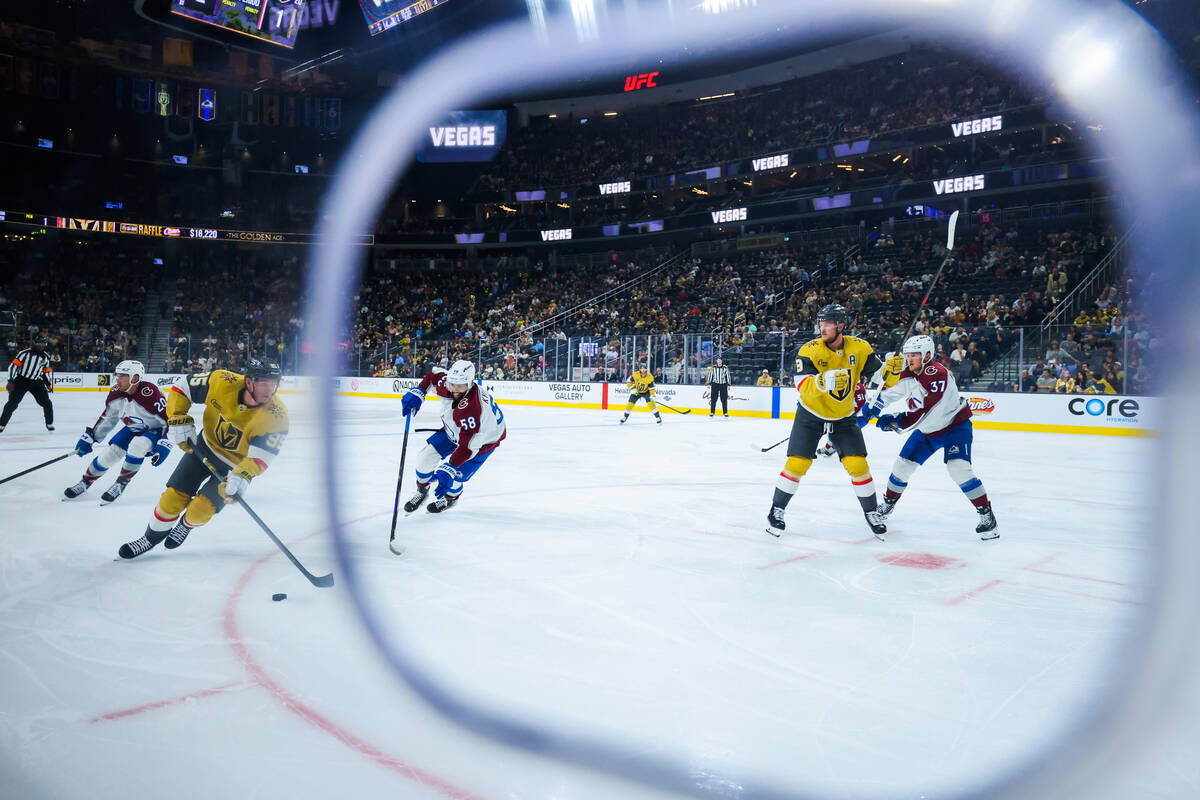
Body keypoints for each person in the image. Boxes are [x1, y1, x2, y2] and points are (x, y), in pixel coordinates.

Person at [117, 358, 289, 559]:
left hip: (233, 466)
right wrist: (178, 418)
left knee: (202, 509)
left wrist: (242, 477)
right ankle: (149, 539)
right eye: (263, 383)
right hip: (204, 448)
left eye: (273, 383)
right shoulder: (223, 381)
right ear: (249, 382)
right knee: (172, 498)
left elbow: (262, 457)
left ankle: (185, 525)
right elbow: (182, 388)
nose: (269, 389)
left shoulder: (277, 416)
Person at [767, 304, 890, 539]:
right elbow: (802, 386)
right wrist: (822, 382)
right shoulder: (809, 349)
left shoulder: (860, 347)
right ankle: (777, 509)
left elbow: (881, 378)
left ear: (840, 326)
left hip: (844, 417)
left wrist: (892, 371)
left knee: (858, 466)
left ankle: (872, 512)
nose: (821, 328)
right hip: (810, 414)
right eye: (820, 324)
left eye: (827, 324)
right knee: (797, 464)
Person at [863, 334, 998, 539]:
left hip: (955, 427)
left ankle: (987, 515)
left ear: (927, 355)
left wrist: (896, 421)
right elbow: (891, 392)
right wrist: (875, 406)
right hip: (928, 431)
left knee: (959, 469)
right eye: (908, 355)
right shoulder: (909, 372)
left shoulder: (937, 374)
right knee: (902, 466)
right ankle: (888, 505)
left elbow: (926, 411)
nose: (910, 359)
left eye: (915, 355)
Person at [400, 359, 506, 513]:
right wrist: (419, 391)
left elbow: (468, 446)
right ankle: (422, 491)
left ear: (470, 384)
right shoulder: (450, 384)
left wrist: (451, 467)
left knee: (455, 477)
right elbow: (433, 376)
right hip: (454, 431)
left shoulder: (472, 409)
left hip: (482, 443)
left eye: (460, 386)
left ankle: (451, 499)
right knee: (424, 459)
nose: (455, 390)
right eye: (452, 384)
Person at [64, 360, 171, 503]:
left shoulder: (150, 393)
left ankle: (121, 484)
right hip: (133, 428)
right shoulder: (115, 394)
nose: (117, 379)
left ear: (135, 378)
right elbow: (109, 418)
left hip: (156, 430)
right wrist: (91, 437)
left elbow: (169, 419)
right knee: (110, 453)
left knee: (137, 446)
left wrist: (165, 442)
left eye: (122, 376)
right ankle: (85, 482)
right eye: (118, 375)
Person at [0, 335, 55, 433]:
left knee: (47, 403)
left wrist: (48, 384)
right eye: (39, 343)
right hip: (21, 380)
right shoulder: (24, 353)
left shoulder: (45, 356)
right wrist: (10, 381)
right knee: (12, 403)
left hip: (37, 382)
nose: (41, 345)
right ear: (34, 343)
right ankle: (1, 425)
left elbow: (45, 372)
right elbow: (13, 367)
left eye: (43, 344)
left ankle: (49, 423)